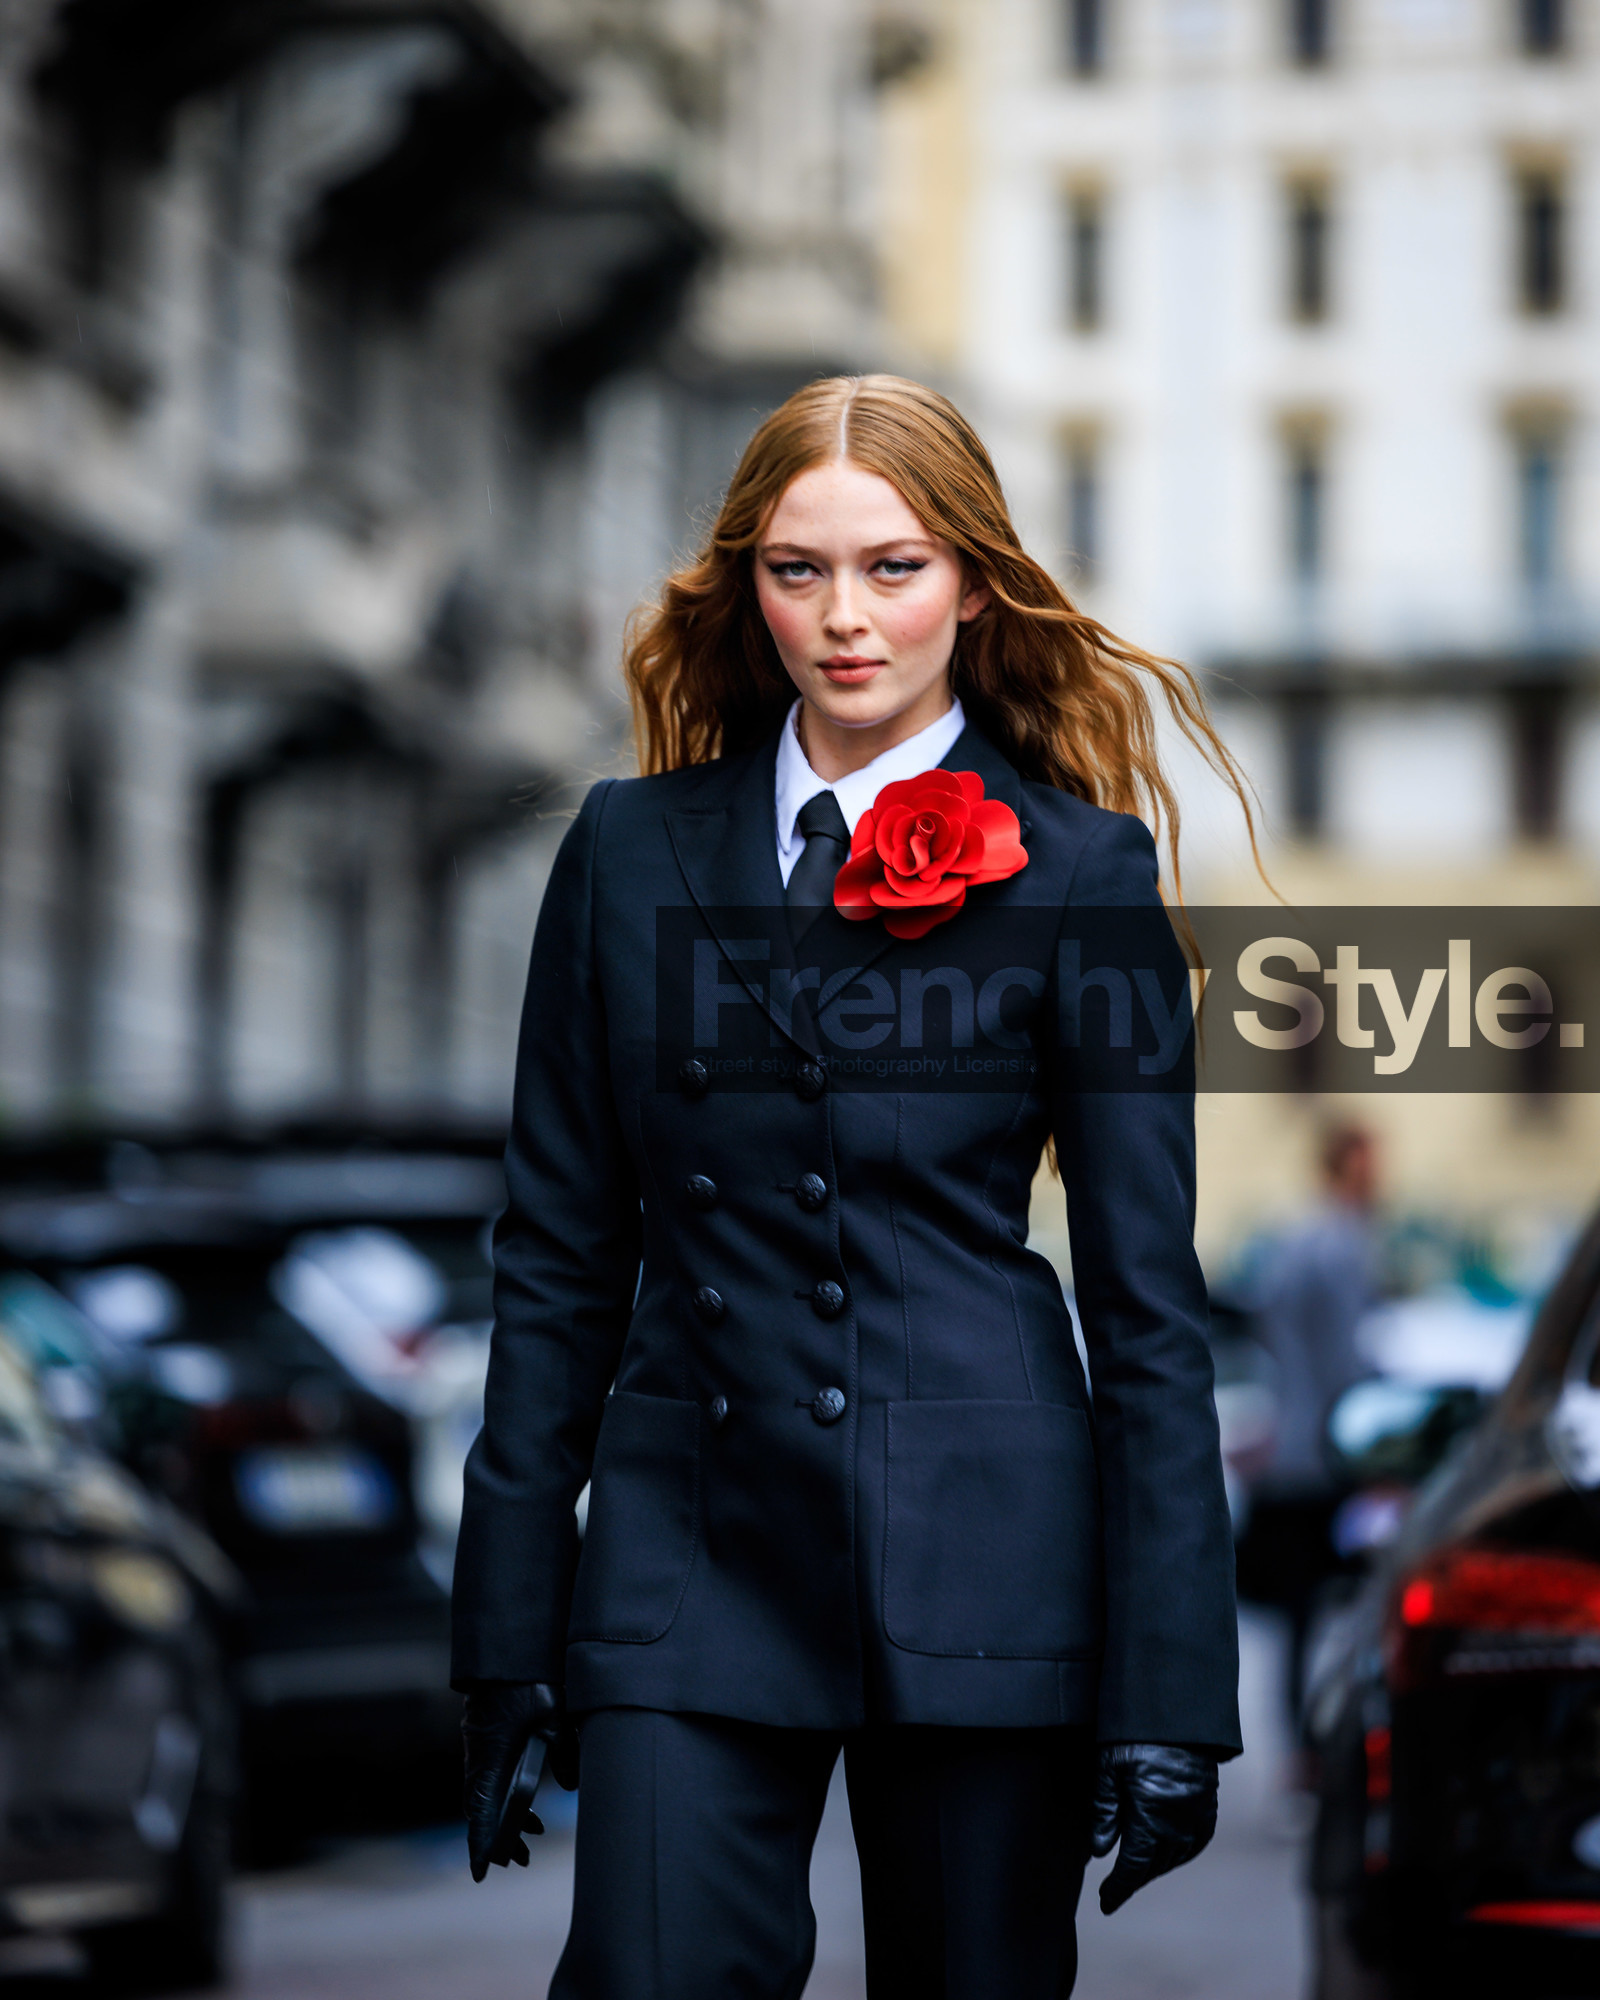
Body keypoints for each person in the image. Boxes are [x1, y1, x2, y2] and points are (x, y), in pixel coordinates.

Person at [451, 376, 1254, 1998]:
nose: (846, 618)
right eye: (798, 569)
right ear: (744, 587)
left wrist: (1169, 1690)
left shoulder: (1081, 873)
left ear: (970, 577)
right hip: (691, 1559)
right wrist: (506, 1634)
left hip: (990, 1555)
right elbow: (554, 1261)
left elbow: (1149, 1311)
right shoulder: (621, 853)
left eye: (893, 567)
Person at [1248, 1123, 1382, 1733]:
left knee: (1299, 1613)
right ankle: (1326, 1748)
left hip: (1292, 1449)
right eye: (1369, 1162)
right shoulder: (1341, 1244)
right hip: (1332, 1453)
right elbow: (1345, 1363)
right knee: (1350, 1605)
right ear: (1346, 1166)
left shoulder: (1293, 1239)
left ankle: (1298, 1746)